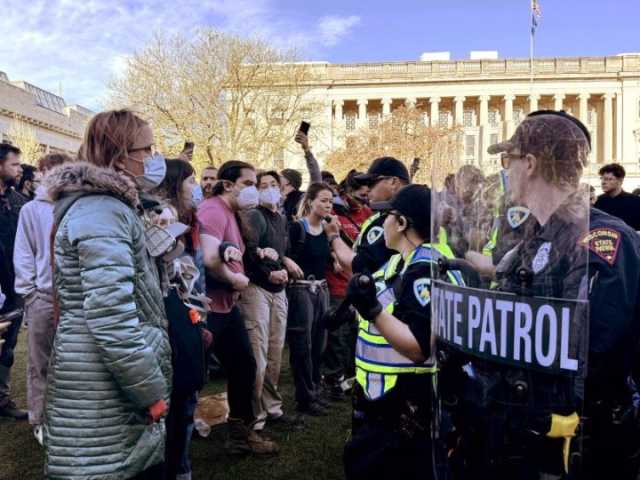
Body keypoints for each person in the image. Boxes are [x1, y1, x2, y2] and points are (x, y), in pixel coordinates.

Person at [442, 111, 640, 479]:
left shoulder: (600, 240)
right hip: (524, 429)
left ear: (530, 163)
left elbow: (589, 353)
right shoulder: (537, 234)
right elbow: (508, 288)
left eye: (509, 160)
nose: (506, 169)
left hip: (575, 445)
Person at [43, 109, 172, 480]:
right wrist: (150, 392)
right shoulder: (101, 211)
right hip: (103, 384)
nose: (153, 158)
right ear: (118, 155)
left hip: (107, 379)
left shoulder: (111, 207)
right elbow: (111, 318)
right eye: (146, 149)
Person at [343, 184, 440, 480]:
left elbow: (418, 346)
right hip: (383, 402)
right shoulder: (400, 262)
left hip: (407, 406)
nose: (380, 222)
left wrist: (372, 310)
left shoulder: (424, 270)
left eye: (387, 216)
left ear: (401, 223)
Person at [197, 160, 278, 455]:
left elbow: (231, 249)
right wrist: (234, 279)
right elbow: (209, 258)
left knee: (244, 365)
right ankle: (172, 443)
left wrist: (255, 252)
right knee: (192, 376)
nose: (254, 191)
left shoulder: (232, 213)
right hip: (207, 309)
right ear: (228, 184)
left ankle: (240, 434)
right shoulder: (212, 210)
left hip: (225, 307)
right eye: (248, 184)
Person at [151, 158, 210, 480]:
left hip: (185, 311)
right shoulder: (158, 217)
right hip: (168, 316)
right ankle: (174, 467)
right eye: (190, 181)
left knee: (187, 395)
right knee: (176, 398)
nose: (196, 187)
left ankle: (181, 464)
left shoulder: (188, 219)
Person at [13, 152, 72, 442]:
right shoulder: (32, 210)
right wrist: (30, 294)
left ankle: (70, 416)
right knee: (41, 362)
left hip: (74, 297)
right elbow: (24, 252)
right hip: (44, 296)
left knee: (73, 360)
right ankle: (41, 419)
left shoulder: (75, 205)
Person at [238, 170, 303, 431]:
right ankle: (255, 415)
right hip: (257, 289)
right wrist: (269, 272)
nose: (268, 189)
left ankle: (272, 407)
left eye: (273, 184)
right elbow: (248, 253)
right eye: (262, 185)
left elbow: (279, 251)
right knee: (259, 354)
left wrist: (284, 263)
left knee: (275, 353)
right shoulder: (255, 215)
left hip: (278, 290)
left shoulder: (280, 217)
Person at [323, 170, 372, 399]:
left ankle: (352, 378)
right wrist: (332, 255)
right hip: (337, 284)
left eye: (366, 196)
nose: (364, 200)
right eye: (360, 196)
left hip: (359, 284)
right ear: (346, 192)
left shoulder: (368, 213)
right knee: (337, 338)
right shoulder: (334, 214)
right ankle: (333, 379)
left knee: (355, 335)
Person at [287, 182, 333, 416]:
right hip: (301, 291)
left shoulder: (326, 230)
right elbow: (283, 255)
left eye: (330, 201)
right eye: (323, 200)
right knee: (302, 346)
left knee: (319, 345)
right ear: (311, 201)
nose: (328, 205)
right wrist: (287, 262)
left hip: (321, 291)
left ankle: (315, 390)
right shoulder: (297, 228)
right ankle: (305, 397)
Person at [325, 156, 410, 275]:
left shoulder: (396, 217)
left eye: (371, 183)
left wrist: (333, 235)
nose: (367, 189)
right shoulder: (399, 212)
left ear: (393, 182)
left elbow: (358, 266)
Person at [0, 142, 29, 420]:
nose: (19, 170)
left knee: (7, 347)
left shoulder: (20, 203)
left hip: (14, 288)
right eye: (14, 164)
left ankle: (2, 399)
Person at [281, 130, 322, 223]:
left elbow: (316, 177)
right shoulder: (275, 198)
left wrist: (307, 150)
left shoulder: (301, 199)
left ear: (288, 182)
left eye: (280, 177)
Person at [594, 163, 640, 230]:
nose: (603, 182)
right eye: (602, 179)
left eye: (609, 179)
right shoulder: (597, 201)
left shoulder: (635, 202)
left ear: (620, 181)